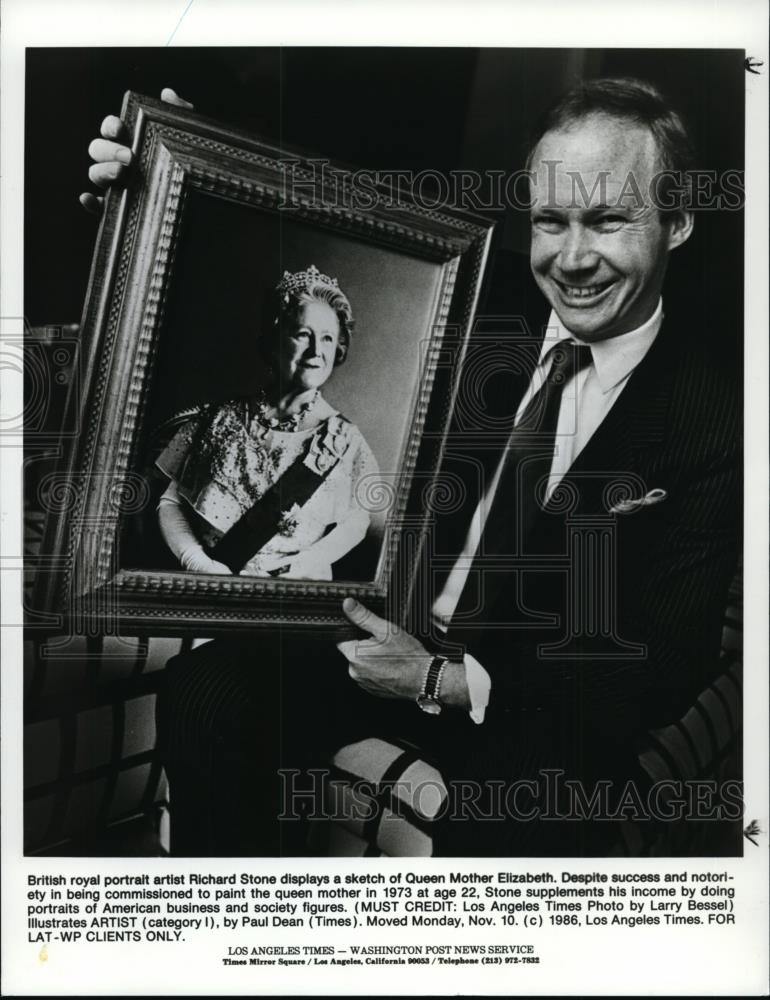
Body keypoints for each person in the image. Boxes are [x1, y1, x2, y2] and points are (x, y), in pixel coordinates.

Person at [84, 77, 740, 857]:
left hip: (529, 702)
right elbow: (327, 221)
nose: (571, 258)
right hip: (374, 629)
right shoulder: (469, 299)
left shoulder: (716, 416)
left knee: (520, 815)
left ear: (678, 222)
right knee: (209, 692)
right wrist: (175, 183)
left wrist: (441, 682)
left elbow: (668, 659)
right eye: (550, 221)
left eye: (606, 220)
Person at [154, 265, 379, 581]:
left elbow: (357, 521)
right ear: (275, 340)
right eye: (303, 334)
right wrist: (198, 563)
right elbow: (170, 501)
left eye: (327, 338)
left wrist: (306, 565)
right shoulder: (221, 419)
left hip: (292, 596)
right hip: (209, 587)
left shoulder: (343, 440)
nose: (317, 351)